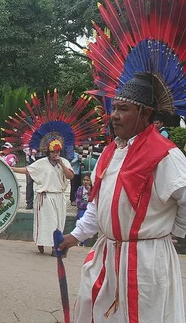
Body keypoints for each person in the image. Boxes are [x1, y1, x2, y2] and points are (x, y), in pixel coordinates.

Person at [58, 72, 186, 322]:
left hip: (146, 260)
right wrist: (74, 237)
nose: (114, 115)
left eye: (123, 109)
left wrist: (174, 231)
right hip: (107, 254)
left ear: (145, 113)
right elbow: (97, 204)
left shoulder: (165, 155)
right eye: (114, 108)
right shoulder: (109, 152)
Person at [12, 138, 74, 255]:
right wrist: (12, 169)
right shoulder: (42, 163)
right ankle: (43, 242)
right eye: (53, 152)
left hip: (59, 196)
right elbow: (27, 170)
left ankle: (55, 247)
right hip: (46, 197)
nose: (56, 154)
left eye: (58, 152)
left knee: (58, 223)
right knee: (48, 222)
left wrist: (61, 164)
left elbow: (70, 176)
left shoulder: (64, 162)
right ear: (48, 152)